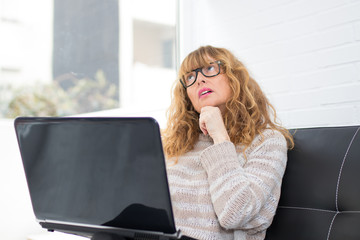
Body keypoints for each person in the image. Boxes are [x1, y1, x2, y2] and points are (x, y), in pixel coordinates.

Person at [162, 45, 294, 240]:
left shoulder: (268, 142)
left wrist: (220, 137)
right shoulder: (177, 143)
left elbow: (235, 214)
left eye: (210, 68)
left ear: (234, 78)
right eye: (190, 77)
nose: (199, 79)